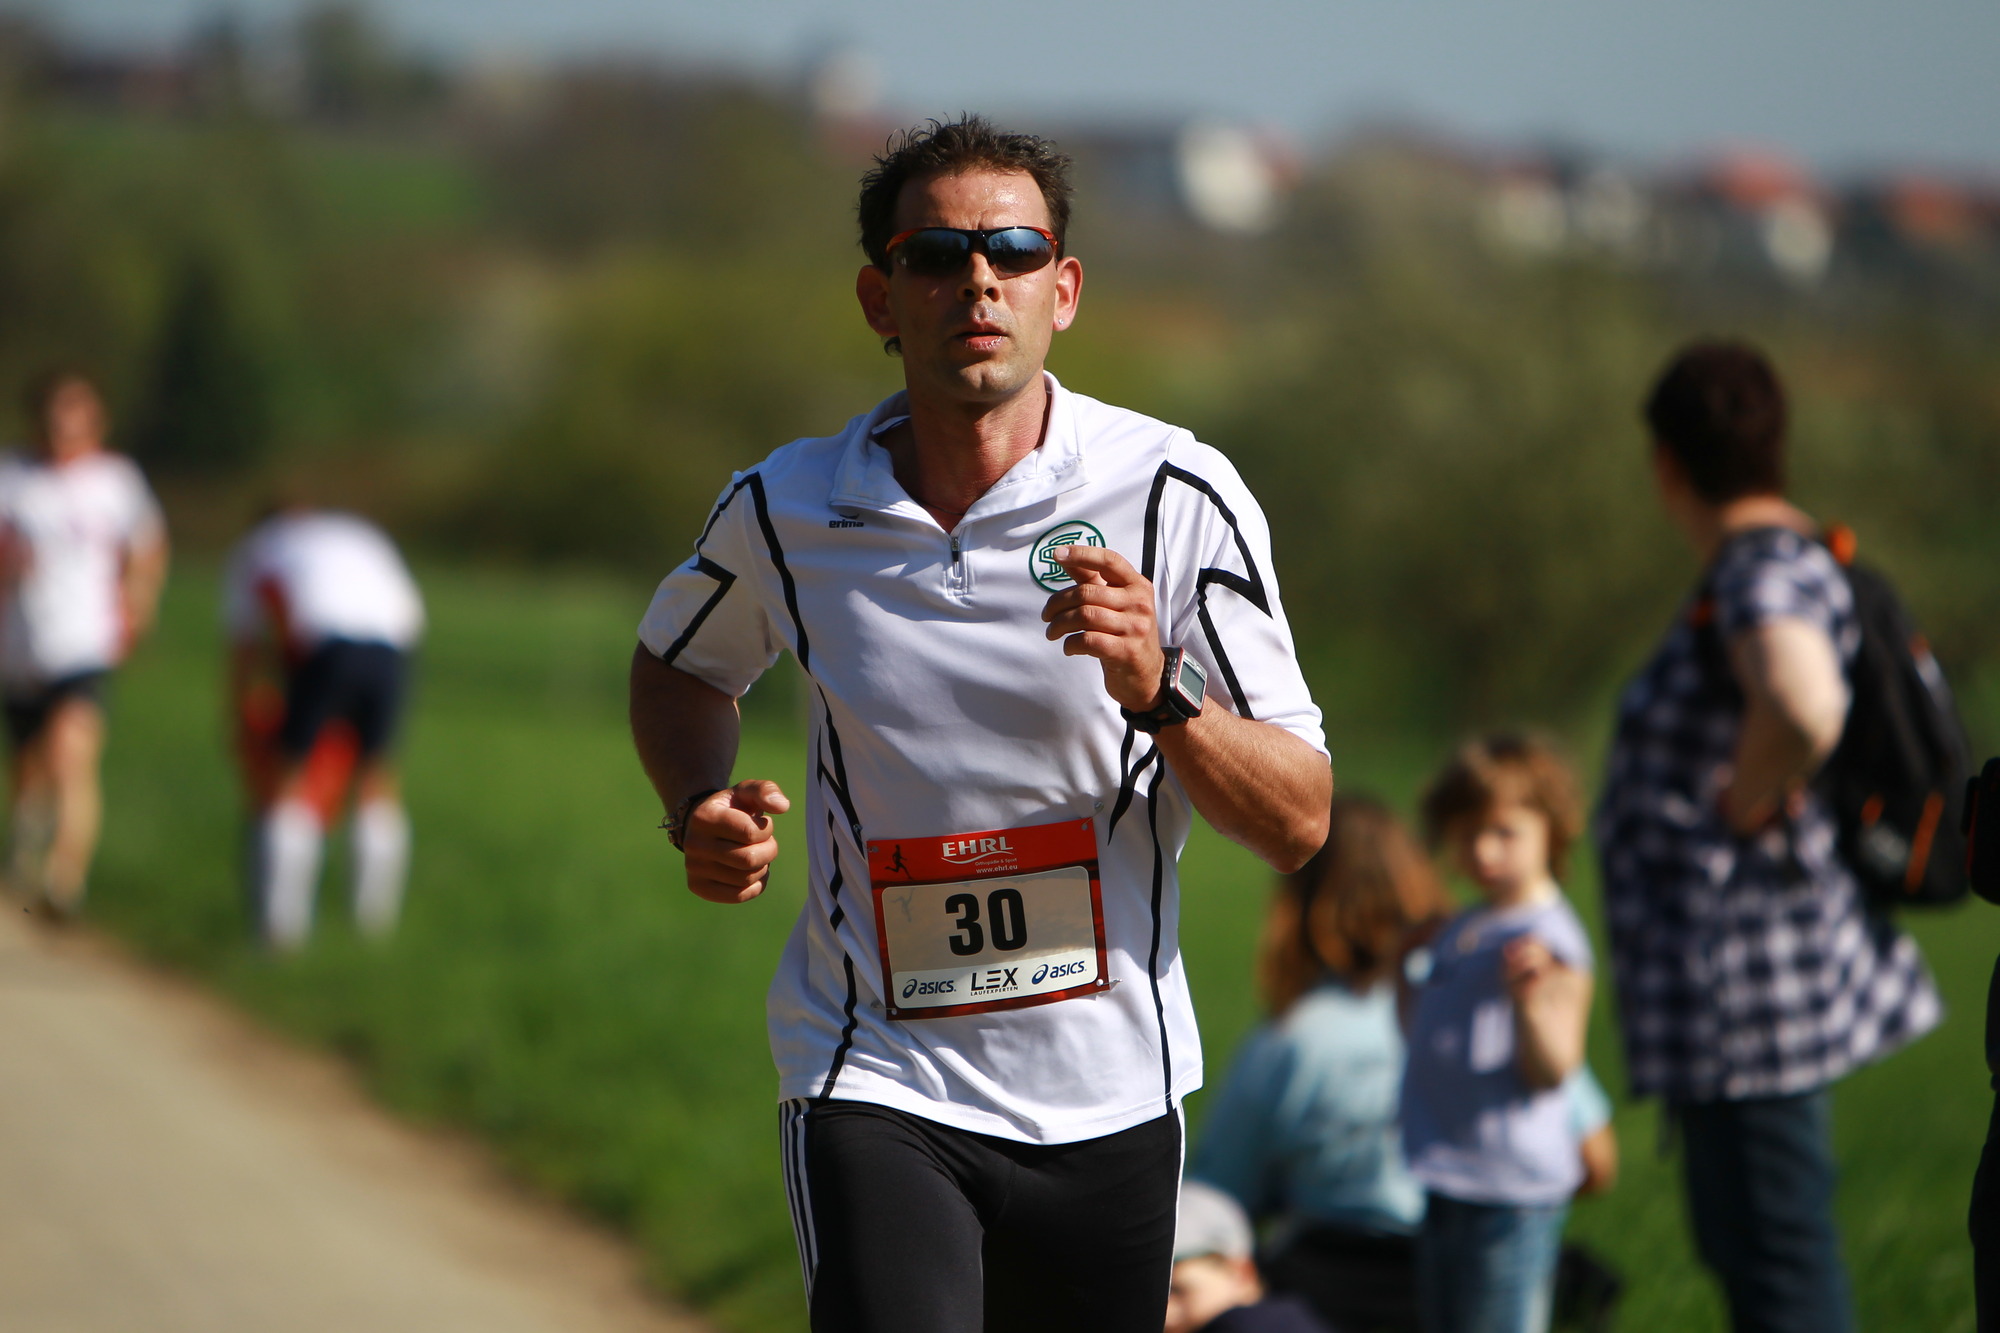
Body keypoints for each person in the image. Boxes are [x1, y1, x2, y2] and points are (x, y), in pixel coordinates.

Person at [628, 116, 1330, 1333]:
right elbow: (678, 665)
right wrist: (695, 803)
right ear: (879, 297)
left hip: (1110, 1087)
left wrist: (1161, 690)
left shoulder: (1174, 493)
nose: (977, 282)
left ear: (1064, 289)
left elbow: (1299, 818)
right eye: (935, 255)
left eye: (1011, 251)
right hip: (874, 1067)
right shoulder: (786, 507)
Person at [1596, 341, 1941, 1333]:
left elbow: (1801, 702)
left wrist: (1741, 798)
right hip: (1753, 987)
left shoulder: (1757, 569)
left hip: (1747, 990)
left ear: (1666, 462)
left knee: (1777, 1264)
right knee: (1759, 1248)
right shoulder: (1799, 557)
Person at [1195, 795, 1621, 1333]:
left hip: (1340, 1289)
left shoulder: (1286, 1040)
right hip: (1478, 1251)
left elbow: (1220, 1200)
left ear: (1295, 907)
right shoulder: (1484, 999)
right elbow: (1596, 1161)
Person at [1402, 734, 1595, 1333]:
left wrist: (1531, 1003)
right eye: (1467, 834)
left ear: (1551, 830)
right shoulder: (1468, 925)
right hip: (1450, 1168)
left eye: (1505, 832)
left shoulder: (1548, 940)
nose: (1483, 850)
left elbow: (1555, 1069)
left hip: (1511, 1187)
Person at [0, 369, 167, 917]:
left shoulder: (116, 481)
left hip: (85, 640)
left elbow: (147, 545)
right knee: (30, 766)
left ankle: (64, 880)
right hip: (20, 643)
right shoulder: (12, 478)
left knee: (72, 754)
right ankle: (27, 841)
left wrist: (139, 603)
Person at [222, 505, 424, 949]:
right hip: (392, 651)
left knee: (289, 782)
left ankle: (280, 930)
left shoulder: (260, 546)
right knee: (376, 782)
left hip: (328, 647)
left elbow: (245, 642)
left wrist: (238, 715)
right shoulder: (360, 532)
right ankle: (372, 928)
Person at [1167, 1182, 1333, 1333]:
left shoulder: (1247, 1325)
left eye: (1177, 1290)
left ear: (1241, 1272)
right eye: (1154, 1297)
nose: (1167, 1315)